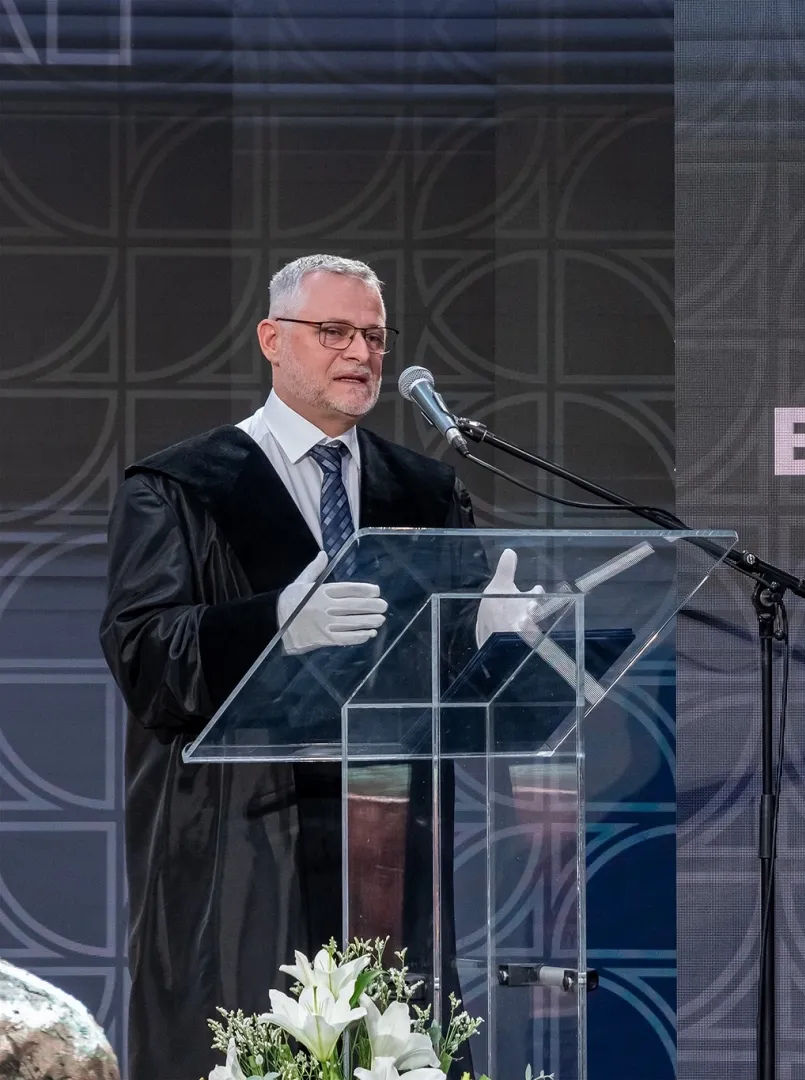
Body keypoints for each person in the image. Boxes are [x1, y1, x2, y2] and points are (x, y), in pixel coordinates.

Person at [99, 255, 529, 1079]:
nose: (361, 352)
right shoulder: (182, 486)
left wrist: (499, 638)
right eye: (333, 331)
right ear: (273, 340)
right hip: (237, 848)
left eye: (373, 335)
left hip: (387, 844)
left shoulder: (426, 493)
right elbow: (144, 651)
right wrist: (273, 624)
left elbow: (450, 680)